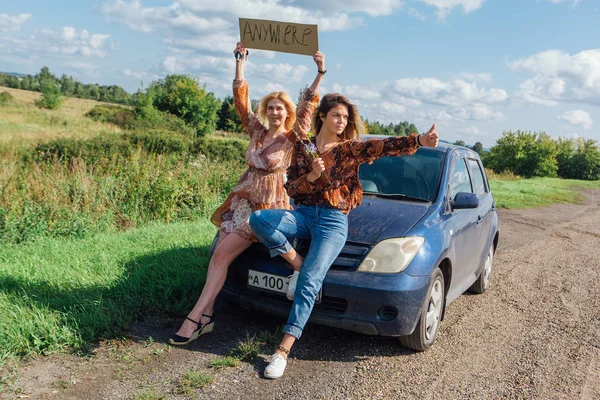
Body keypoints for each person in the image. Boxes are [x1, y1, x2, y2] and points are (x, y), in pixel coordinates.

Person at [249, 94, 439, 378]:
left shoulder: (350, 150)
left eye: (346, 118)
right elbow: (293, 191)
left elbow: (383, 146)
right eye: (337, 115)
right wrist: (312, 177)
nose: (342, 121)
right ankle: (300, 265)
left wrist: (419, 140)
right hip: (303, 214)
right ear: (323, 116)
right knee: (259, 219)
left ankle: (282, 351)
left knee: (311, 282)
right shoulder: (305, 148)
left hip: (333, 221)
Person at [168, 43, 327, 346]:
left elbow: (308, 106)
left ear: (288, 113)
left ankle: (193, 318)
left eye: (280, 108)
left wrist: (319, 73)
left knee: (220, 257)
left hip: (267, 205)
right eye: (270, 107)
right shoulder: (257, 131)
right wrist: (240, 63)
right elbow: (241, 103)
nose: (274, 112)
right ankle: (206, 317)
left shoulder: (293, 138)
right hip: (242, 200)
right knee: (217, 257)